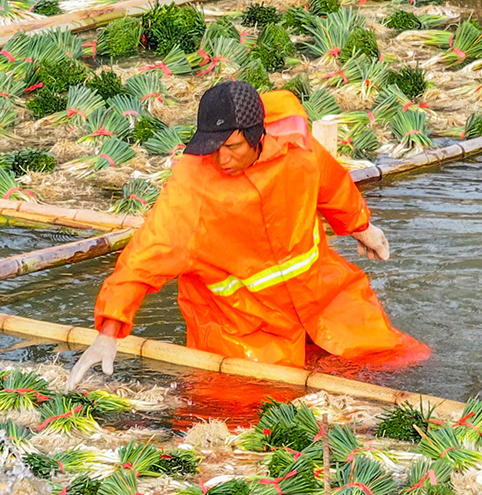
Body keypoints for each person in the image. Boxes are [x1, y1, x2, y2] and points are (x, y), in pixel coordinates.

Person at [67, 81, 426, 388]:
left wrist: (361, 227)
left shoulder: (295, 146)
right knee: (251, 405)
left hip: (320, 293)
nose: (222, 160)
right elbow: (148, 252)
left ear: (258, 136)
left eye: (233, 147)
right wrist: (110, 328)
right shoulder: (193, 187)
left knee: (395, 360)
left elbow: (331, 184)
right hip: (239, 321)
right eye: (213, 147)